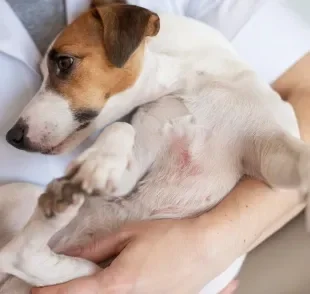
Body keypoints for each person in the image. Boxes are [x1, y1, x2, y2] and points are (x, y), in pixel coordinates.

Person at [0, 0, 308, 293]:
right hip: (53, 250)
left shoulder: (242, 100)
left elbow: (301, 101)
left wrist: (209, 247)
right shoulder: (154, 111)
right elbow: (121, 180)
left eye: (64, 66)